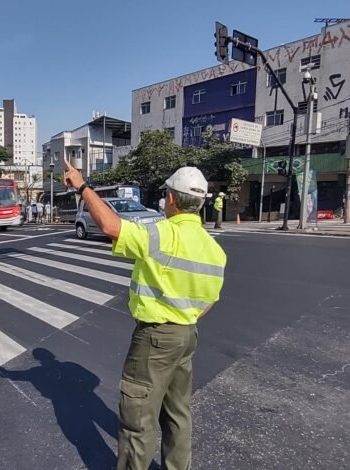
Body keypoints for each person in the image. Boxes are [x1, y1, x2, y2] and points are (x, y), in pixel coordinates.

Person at [64, 160, 226, 470]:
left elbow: (111, 227)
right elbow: (210, 300)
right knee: (178, 413)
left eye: (166, 195)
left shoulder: (161, 234)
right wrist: (183, 317)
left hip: (155, 338)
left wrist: (82, 186)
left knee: (138, 418)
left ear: (172, 199)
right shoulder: (213, 248)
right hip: (187, 334)